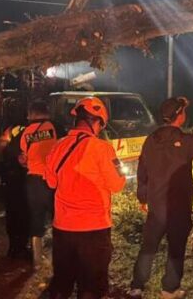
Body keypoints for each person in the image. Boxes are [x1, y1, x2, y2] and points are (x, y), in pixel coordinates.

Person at [126, 97, 193, 299]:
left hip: (156, 207)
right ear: (180, 116)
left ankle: (137, 286)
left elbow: (142, 172)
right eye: (183, 112)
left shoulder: (151, 140)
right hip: (178, 208)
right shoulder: (186, 142)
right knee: (176, 248)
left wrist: (143, 198)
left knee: (148, 246)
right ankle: (169, 289)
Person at [44, 97, 126, 299]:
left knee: (62, 283)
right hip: (94, 230)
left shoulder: (58, 146)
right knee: (91, 287)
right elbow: (116, 185)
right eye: (100, 125)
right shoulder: (102, 148)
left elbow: (51, 183)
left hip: (63, 228)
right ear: (96, 121)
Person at [20, 100, 58, 267]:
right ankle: (61, 255)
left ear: (33, 113)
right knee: (59, 217)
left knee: (36, 216)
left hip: (33, 180)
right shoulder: (57, 127)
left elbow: (23, 159)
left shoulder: (26, 132)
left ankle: (37, 258)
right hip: (53, 179)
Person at [0, 122, 30, 260]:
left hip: (10, 177)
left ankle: (14, 247)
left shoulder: (11, 128)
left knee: (12, 213)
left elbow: (0, 149)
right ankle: (20, 247)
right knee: (24, 214)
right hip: (23, 176)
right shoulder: (27, 129)